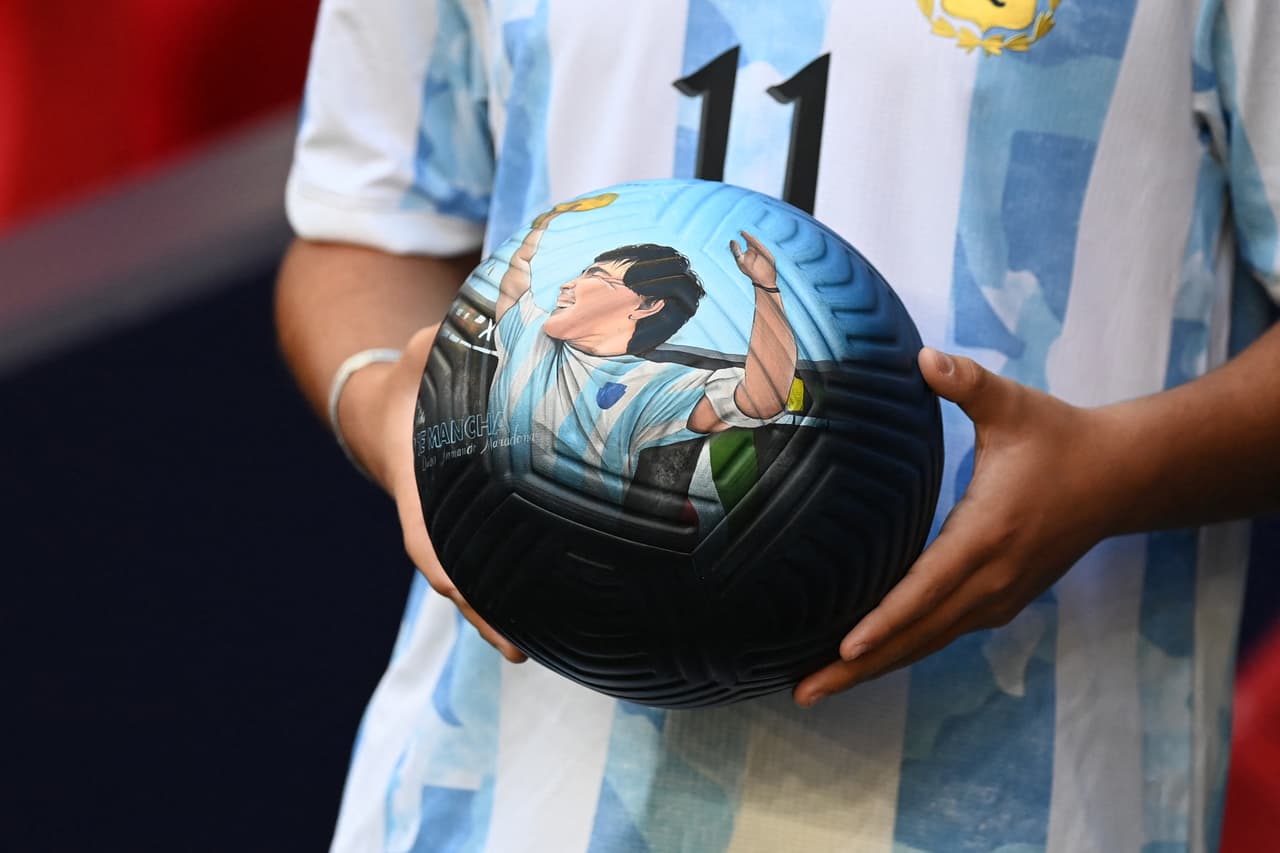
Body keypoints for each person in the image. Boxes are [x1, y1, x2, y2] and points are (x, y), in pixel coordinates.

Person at [276, 0, 1280, 849]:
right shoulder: (556, 349)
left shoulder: (671, 386)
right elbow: (359, 232)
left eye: (592, 278)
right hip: (494, 800)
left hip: (1005, 793)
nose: (571, 285)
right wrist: (391, 408)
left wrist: (1107, 472)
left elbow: (759, 400)